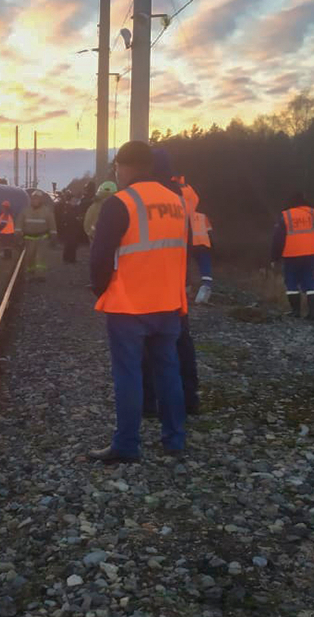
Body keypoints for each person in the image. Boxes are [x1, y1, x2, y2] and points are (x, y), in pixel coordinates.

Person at [89, 141, 187, 464]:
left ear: (125, 167)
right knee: (168, 372)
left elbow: (100, 255)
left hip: (129, 306)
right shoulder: (176, 202)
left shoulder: (120, 203)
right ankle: (175, 439)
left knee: (128, 374)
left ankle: (127, 445)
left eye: (117, 168)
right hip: (169, 303)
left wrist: (100, 289)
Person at [141, 148, 200, 417]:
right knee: (180, 344)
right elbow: (185, 243)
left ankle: (148, 402)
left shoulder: (138, 198)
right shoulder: (179, 200)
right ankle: (188, 400)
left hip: (144, 285)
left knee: (144, 346)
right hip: (175, 286)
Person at [271, 192, 314, 320]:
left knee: (291, 282)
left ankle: (295, 311)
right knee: (310, 281)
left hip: (291, 254)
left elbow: (277, 238)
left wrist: (275, 257)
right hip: (312, 253)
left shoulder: (285, 215)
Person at [16, 190, 56, 276]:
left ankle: (40, 275)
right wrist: (18, 234)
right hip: (29, 238)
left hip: (42, 238)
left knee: (41, 258)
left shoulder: (47, 211)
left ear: (41, 200)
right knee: (29, 257)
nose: (35, 201)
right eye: (34, 199)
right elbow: (19, 223)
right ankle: (30, 272)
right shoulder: (25, 211)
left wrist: (53, 236)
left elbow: (52, 224)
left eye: (37, 199)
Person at [190, 210, 214, 304]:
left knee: (189, 267)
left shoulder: (183, 216)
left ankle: (188, 290)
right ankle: (206, 287)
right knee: (205, 266)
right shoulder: (203, 216)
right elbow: (209, 232)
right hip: (204, 245)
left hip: (190, 245)